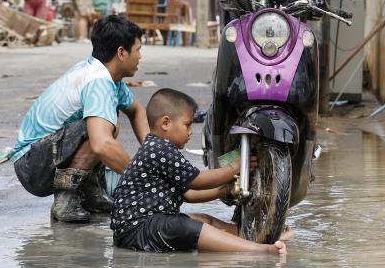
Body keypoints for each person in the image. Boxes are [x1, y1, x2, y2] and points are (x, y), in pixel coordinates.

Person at [111, 88, 287, 254]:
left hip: (139, 231)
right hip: (141, 230)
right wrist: (234, 166)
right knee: (186, 226)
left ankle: (258, 238)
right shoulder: (160, 148)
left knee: (202, 219)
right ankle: (261, 251)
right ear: (165, 123)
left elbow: (189, 195)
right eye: (187, 125)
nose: (190, 132)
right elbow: (198, 181)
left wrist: (225, 189)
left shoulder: (157, 148)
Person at [12, 15, 150, 222]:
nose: (140, 57)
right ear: (121, 52)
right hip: (32, 166)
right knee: (99, 128)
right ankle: (66, 200)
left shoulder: (104, 73)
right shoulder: (98, 82)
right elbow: (102, 144)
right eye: (138, 50)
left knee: (108, 119)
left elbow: (137, 110)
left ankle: (90, 195)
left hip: (41, 157)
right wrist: (145, 180)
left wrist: (154, 153)